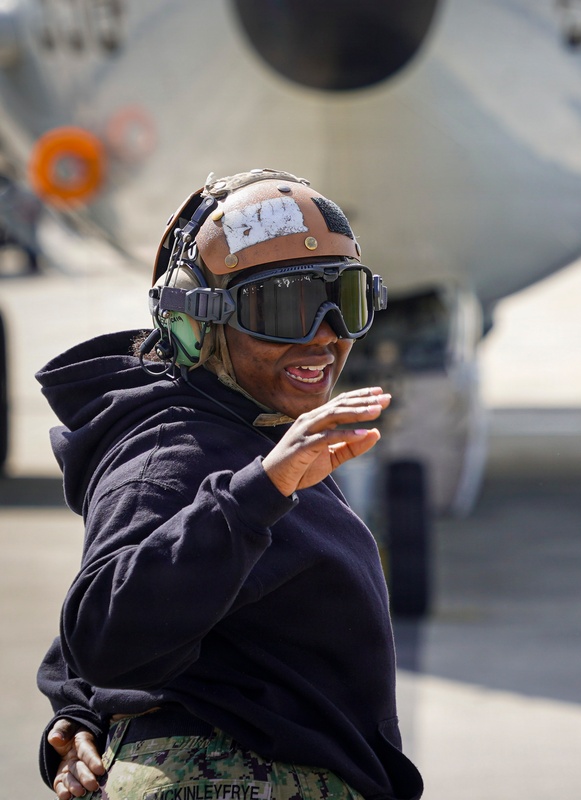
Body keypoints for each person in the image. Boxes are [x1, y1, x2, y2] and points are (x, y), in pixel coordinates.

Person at [35, 168, 423, 800]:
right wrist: (260, 490)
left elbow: (141, 592)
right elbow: (103, 629)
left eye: (344, 302)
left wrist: (78, 704)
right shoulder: (171, 451)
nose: (325, 334)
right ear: (197, 323)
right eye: (285, 308)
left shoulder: (253, 432)